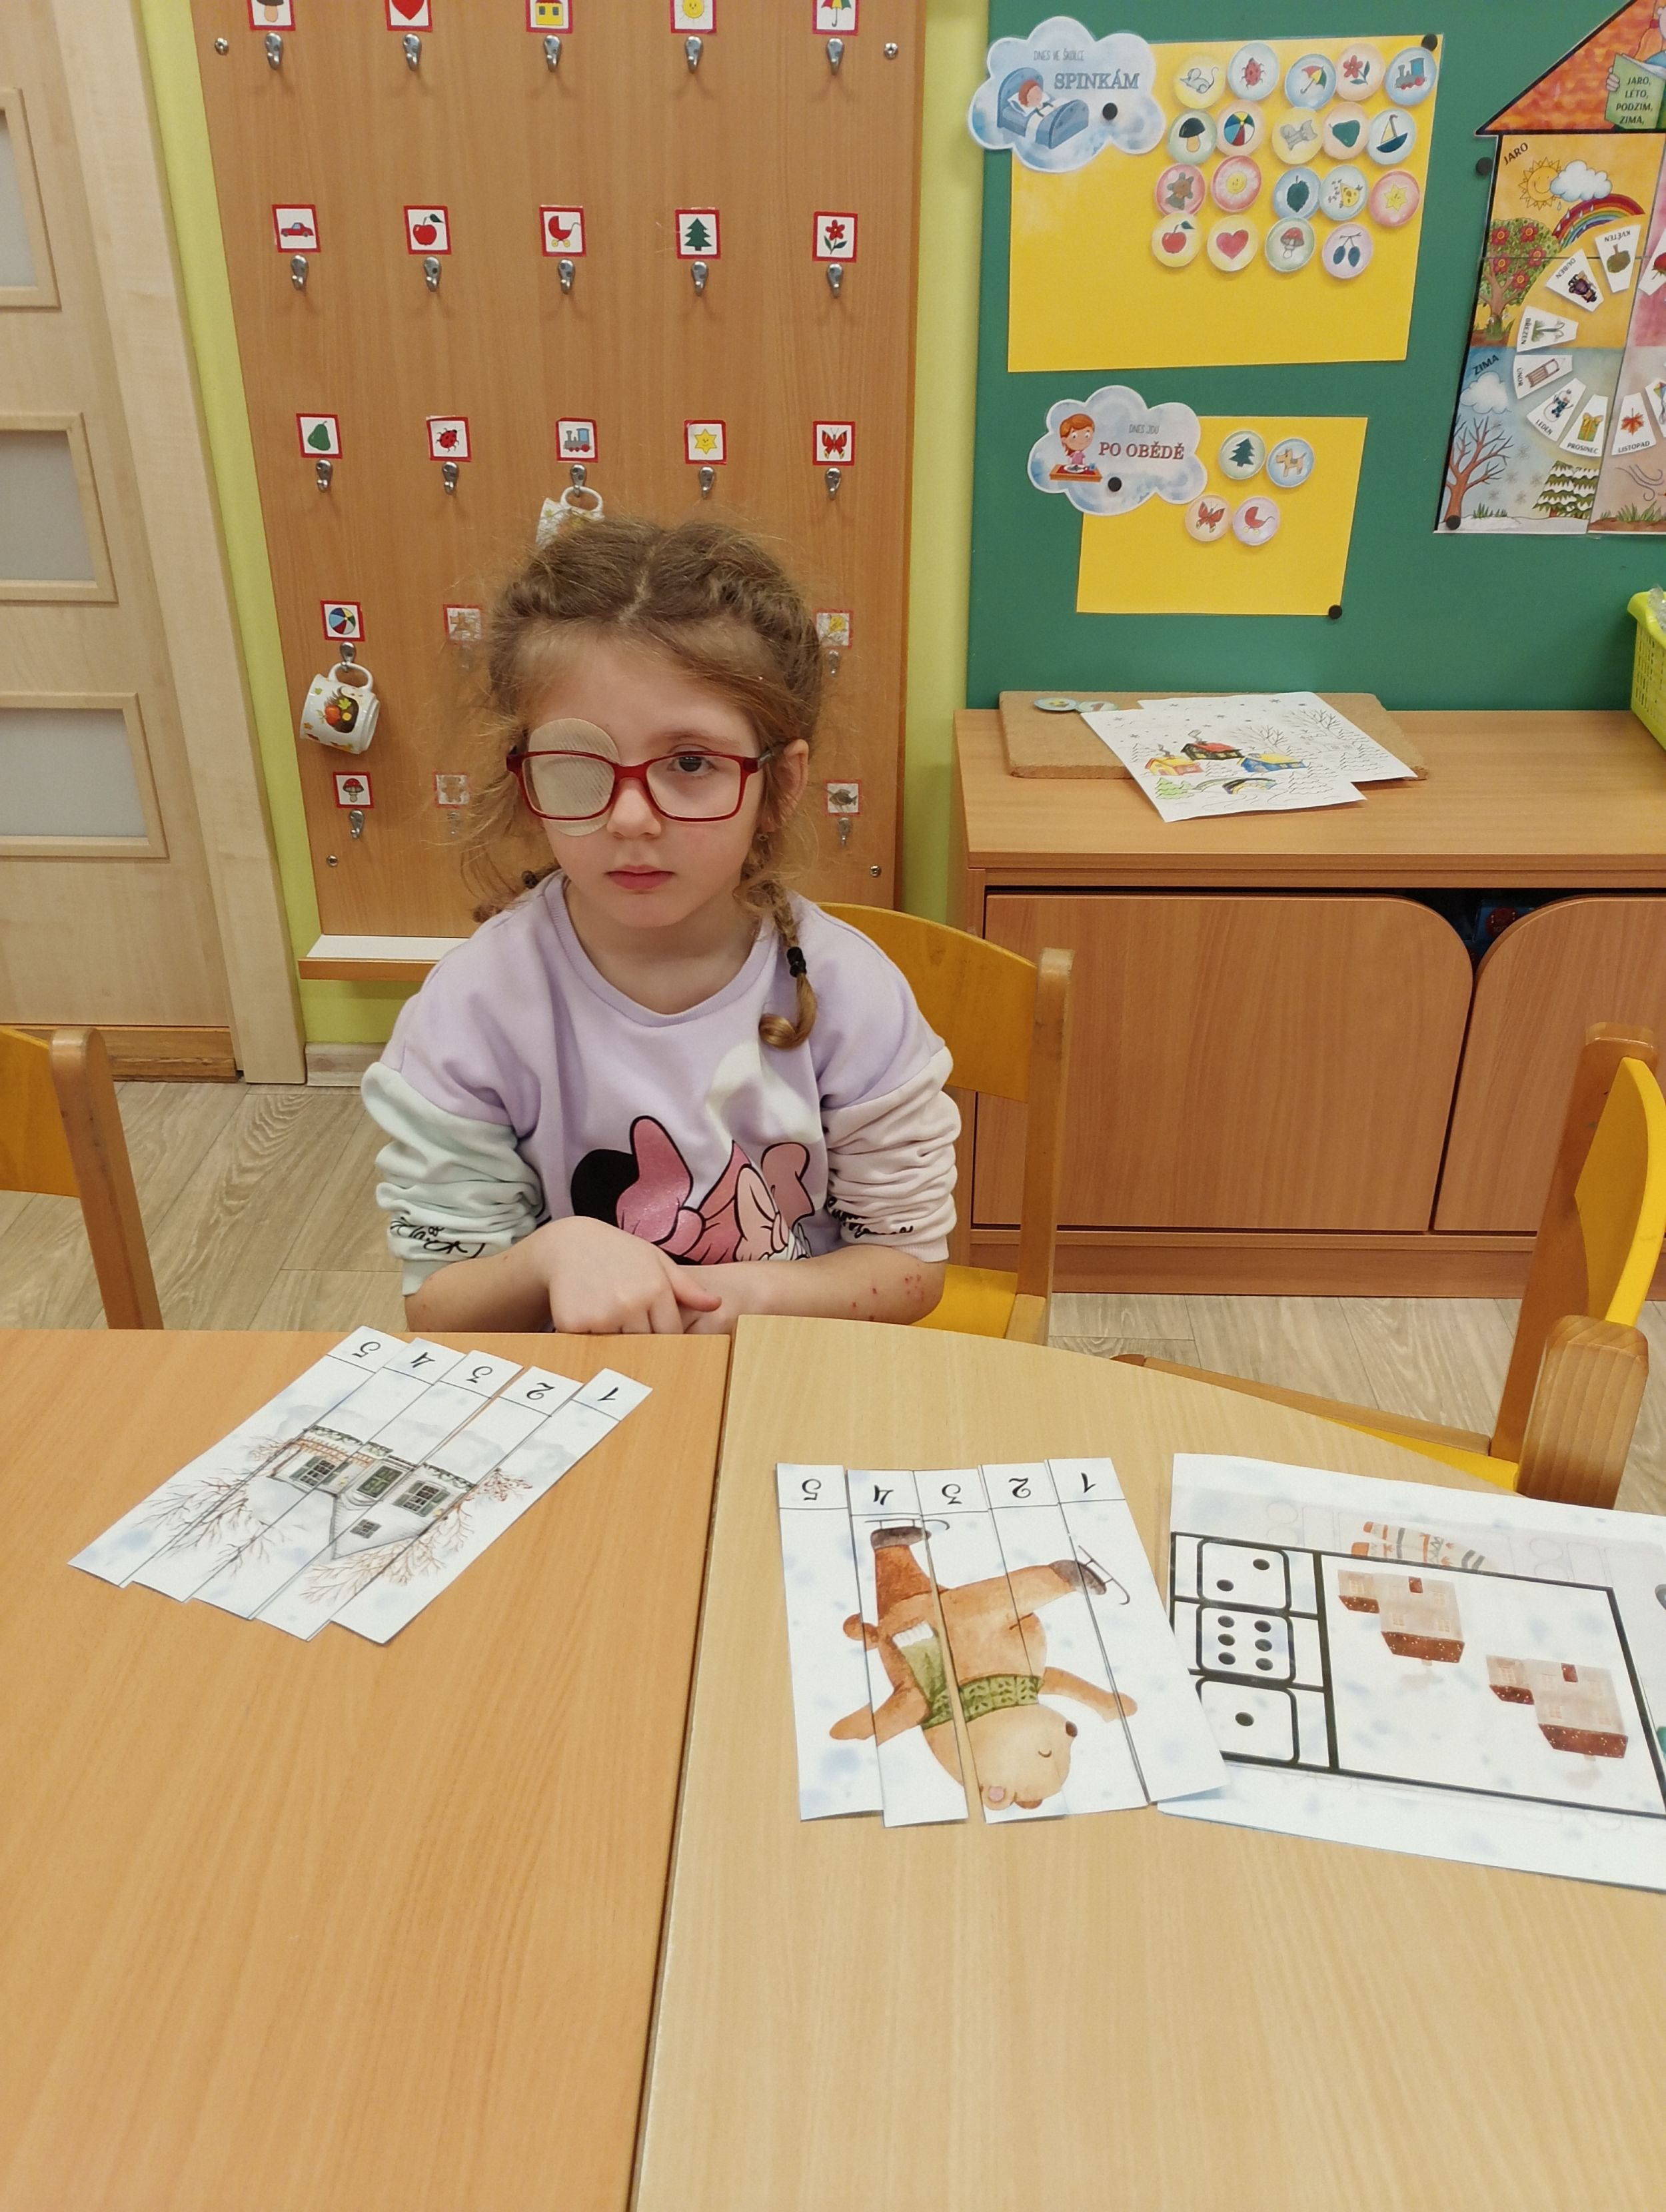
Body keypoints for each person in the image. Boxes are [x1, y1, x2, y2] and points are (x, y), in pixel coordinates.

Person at [361, 514, 958, 1336]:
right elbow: (439, 1303)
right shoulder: (474, 1007)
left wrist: (750, 1298)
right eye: (578, 764)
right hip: (580, 1383)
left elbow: (908, 1265)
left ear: (779, 785)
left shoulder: (851, 994)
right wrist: (553, 1255)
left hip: (787, 1368)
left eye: (690, 762)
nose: (632, 817)